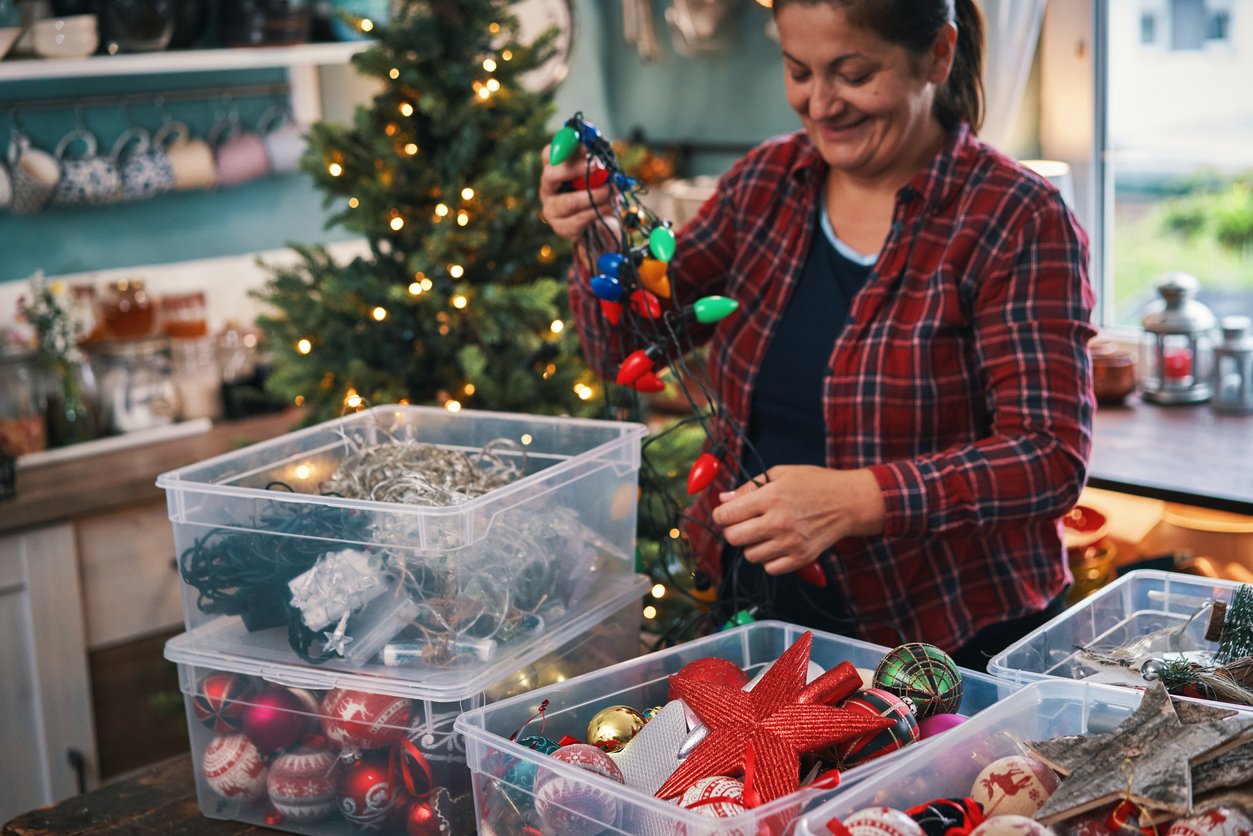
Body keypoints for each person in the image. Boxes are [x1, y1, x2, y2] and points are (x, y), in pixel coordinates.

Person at [539, 0, 1095, 670]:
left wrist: (858, 500)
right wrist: (593, 238)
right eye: (798, 71)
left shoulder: (1014, 217)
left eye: (853, 73)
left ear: (938, 56)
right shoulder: (766, 184)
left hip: (942, 640)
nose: (820, 104)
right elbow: (627, 349)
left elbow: (1047, 457)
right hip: (758, 621)